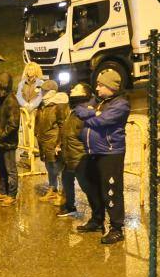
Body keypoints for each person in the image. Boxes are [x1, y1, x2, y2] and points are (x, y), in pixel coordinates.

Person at [74, 70, 130, 245]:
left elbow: (101, 122)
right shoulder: (98, 101)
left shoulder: (121, 104)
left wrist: (91, 115)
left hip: (110, 153)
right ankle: (97, 220)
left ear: (110, 87)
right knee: (92, 186)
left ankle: (116, 228)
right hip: (94, 152)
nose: (96, 88)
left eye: (100, 85)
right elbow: (78, 109)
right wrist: (93, 112)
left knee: (111, 190)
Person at [57, 82, 92, 218]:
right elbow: (68, 130)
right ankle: (69, 206)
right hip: (69, 155)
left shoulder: (85, 111)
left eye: (76, 89)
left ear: (84, 94)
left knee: (86, 186)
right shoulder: (73, 109)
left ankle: (98, 215)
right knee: (67, 179)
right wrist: (60, 144)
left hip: (79, 156)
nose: (72, 90)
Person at [0, 72, 20, 207]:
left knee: (10, 169)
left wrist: (1, 135)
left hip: (7, 143)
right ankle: (2, 191)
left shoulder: (11, 101)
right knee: (0, 167)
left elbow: (13, 124)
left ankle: (12, 195)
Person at [35, 79, 68, 205]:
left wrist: (59, 144)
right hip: (44, 142)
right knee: (50, 167)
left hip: (54, 142)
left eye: (43, 90)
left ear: (51, 92)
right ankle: (52, 189)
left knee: (58, 168)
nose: (41, 92)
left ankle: (62, 194)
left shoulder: (59, 105)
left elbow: (63, 125)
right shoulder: (43, 104)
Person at [16, 62, 45, 164]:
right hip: (25, 111)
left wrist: (32, 105)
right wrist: (25, 104)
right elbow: (18, 95)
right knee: (25, 129)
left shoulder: (40, 83)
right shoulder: (22, 83)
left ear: (36, 71)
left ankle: (36, 148)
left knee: (35, 130)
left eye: (32, 69)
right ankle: (27, 148)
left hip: (35, 111)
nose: (30, 71)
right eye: (28, 69)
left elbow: (40, 96)